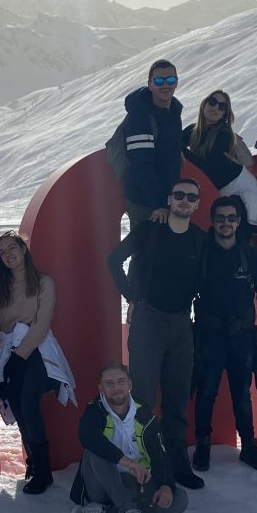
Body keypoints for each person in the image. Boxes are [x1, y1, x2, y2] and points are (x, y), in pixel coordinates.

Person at [107, 177, 208, 490]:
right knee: (144, 396)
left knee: (178, 395)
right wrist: (132, 298)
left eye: (191, 197)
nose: (184, 201)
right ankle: (144, 461)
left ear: (197, 204)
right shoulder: (150, 230)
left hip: (181, 322)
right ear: (169, 198)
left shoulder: (199, 239)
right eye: (179, 195)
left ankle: (178, 462)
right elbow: (114, 260)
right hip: (148, 320)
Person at [0, 231, 76, 495]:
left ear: (23, 249)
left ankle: (43, 472)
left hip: (37, 350)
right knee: (16, 404)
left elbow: (42, 324)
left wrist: (20, 358)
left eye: (13, 248)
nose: (9, 254)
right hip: (8, 352)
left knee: (28, 401)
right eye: (2, 251)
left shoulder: (43, 282)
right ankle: (32, 460)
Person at [192, 195, 257, 473]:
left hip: (243, 337)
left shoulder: (251, 256)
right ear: (213, 221)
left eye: (231, 218)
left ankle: (249, 447)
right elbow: (182, 291)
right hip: (210, 336)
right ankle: (202, 446)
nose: (225, 223)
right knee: (206, 393)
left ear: (238, 222)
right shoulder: (201, 253)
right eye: (220, 218)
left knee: (242, 394)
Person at [69, 362, 189, 513]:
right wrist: (126, 461)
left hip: (136, 484)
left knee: (180, 499)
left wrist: (165, 486)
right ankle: (128, 511)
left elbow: (159, 453)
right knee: (94, 450)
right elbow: (88, 438)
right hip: (102, 484)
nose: (116, 388)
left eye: (121, 381)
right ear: (101, 388)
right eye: (109, 383)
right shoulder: (95, 409)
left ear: (130, 385)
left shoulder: (143, 411)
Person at [182, 90, 257, 249]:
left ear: (225, 114)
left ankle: (243, 266)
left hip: (240, 187)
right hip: (220, 188)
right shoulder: (193, 130)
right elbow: (175, 143)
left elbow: (207, 165)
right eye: (212, 102)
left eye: (222, 106)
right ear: (204, 104)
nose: (216, 108)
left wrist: (182, 150)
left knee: (237, 224)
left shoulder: (224, 133)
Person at [113, 59, 185, 225]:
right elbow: (141, 166)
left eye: (171, 80)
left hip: (166, 198)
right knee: (147, 249)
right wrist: (158, 204)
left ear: (176, 83)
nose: (165, 85)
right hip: (146, 202)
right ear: (150, 84)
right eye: (159, 80)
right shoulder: (140, 118)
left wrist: (177, 149)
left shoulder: (172, 111)